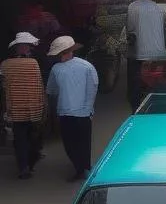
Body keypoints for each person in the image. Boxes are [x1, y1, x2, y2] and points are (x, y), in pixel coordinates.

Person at [45, 36, 98, 181]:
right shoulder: (87, 66)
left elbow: (51, 90)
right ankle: (84, 167)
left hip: (66, 111)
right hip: (82, 112)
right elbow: (93, 88)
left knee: (70, 143)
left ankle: (80, 168)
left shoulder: (56, 69)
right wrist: (89, 108)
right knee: (83, 142)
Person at [1, 33, 45, 179]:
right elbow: (39, 85)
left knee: (19, 139)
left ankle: (23, 166)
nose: (30, 49)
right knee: (32, 136)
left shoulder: (5, 64)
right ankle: (30, 163)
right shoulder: (33, 63)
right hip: (34, 108)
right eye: (29, 47)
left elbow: (4, 86)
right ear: (24, 48)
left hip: (15, 109)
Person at [125, 0, 166, 111]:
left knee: (135, 83)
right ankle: (154, 105)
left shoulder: (132, 7)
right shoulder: (161, 9)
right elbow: (163, 26)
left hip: (138, 52)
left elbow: (130, 28)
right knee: (154, 82)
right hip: (157, 52)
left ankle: (136, 108)